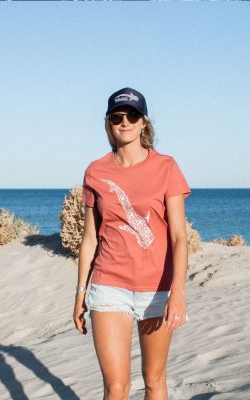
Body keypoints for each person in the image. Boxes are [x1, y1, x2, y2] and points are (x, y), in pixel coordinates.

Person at [73, 87, 191, 400]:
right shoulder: (95, 172)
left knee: (154, 380)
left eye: (132, 115)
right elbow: (89, 240)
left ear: (143, 123)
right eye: (117, 117)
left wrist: (177, 293)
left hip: (157, 287)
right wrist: (80, 293)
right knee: (115, 388)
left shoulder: (166, 167)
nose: (125, 122)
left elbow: (179, 237)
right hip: (109, 284)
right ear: (109, 123)